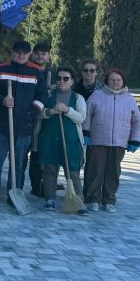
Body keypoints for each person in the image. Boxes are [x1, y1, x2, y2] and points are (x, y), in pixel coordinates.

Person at [0, 40, 47, 208]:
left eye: (25, 53)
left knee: (18, 164)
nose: (21, 55)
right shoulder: (1, 69)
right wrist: (1, 100)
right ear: (13, 52)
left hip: (24, 127)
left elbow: (42, 96)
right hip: (0, 125)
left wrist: (30, 113)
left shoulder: (36, 72)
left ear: (29, 54)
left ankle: (14, 194)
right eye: (18, 52)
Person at [82, 68, 140, 214]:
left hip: (119, 142)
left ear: (123, 82)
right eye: (112, 80)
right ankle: (92, 199)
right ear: (107, 81)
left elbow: (136, 121)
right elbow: (87, 116)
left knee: (113, 172)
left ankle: (109, 200)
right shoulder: (97, 96)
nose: (115, 83)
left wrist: (134, 140)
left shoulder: (129, 99)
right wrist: (86, 133)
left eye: (118, 80)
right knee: (95, 170)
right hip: (98, 140)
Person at [36, 66, 87, 214]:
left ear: (72, 81)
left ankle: (78, 201)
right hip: (50, 139)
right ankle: (50, 199)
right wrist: (50, 112)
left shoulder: (78, 98)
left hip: (70, 141)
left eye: (66, 78)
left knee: (73, 172)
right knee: (49, 170)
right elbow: (38, 113)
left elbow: (81, 117)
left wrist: (67, 110)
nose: (61, 81)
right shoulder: (48, 94)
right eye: (59, 78)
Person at [27, 40, 54, 197]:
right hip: (30, 116)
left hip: (46, 119)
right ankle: (33, 185)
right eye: (37, 53)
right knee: (29, 154)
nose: (39, 56)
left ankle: (42, 186)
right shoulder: (27, 71)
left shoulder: (53, 73)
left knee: (41, 154)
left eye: (43, 54)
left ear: (48, 57)